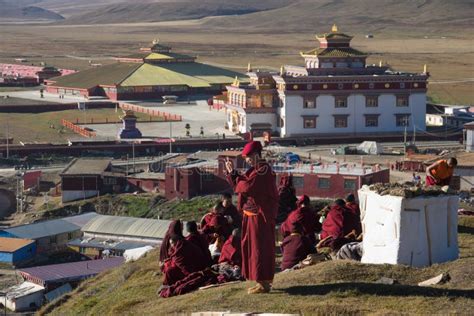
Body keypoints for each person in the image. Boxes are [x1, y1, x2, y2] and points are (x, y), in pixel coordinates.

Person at [226, 140, 278, 294]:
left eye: (248, 157)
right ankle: (261, 281)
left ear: (256, 155)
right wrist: (232, 172)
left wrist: (233, 174)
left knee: (259, 249)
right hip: (252, 216)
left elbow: (247, 187)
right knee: (253, 248)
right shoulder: (256, 170)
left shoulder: (263, 171)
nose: (247, 160)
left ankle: (264, 284)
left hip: (259, 217)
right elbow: (243, 183)